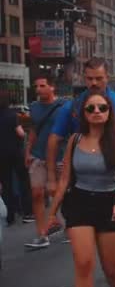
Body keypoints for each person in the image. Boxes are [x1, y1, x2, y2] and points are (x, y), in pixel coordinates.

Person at [48, 57, 115, 279]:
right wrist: (52, 177)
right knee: (83, 256)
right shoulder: (72, 106)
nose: (94, 83)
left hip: (113, 177)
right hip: (82, 178)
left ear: (107, 77)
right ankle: (86, 279)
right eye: (90, 78)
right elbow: (54, 139)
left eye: (99, 78)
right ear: (83, 78)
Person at [24, 73, 66, 249]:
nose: (38, 89)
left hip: (59, 156)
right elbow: (33, 131)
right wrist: (27, 151)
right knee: (37, 193)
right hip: (38, 155)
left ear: (51, 87)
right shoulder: (34, 107)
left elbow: (69, 130)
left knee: (61, 194)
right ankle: (42, 234)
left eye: (42, 86)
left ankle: (67, 224)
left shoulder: (63, 106)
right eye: (36, 86)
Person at [0, 91, 30, 226]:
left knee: (6, 184)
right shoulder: (13, 115)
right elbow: (21, 134)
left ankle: (10, 215)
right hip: (16, 153)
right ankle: (26, 211)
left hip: (1, 154)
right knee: (23, 181)